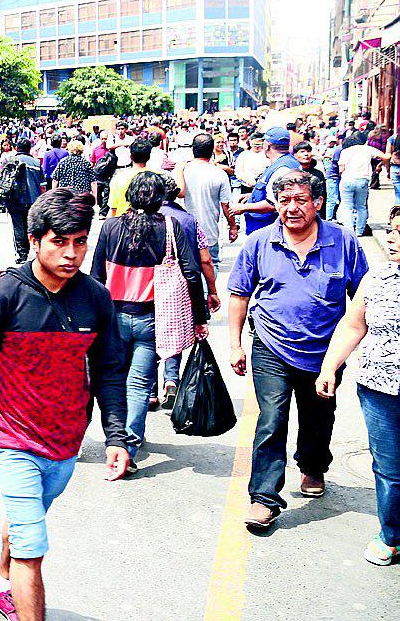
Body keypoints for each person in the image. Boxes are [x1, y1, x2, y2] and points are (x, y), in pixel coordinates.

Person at [0, 189, 130, 621]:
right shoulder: (2, 296)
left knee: (25, 518)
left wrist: (117, 437)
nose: (71, 254)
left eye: (79, 242)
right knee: (34, 545)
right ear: (34, 241)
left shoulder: (95, 297)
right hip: (13, 439)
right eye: (59, 242)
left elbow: (110, 368)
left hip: (67, 443)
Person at [228, 170, 368, 531]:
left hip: (325, 354)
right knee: (271, 419)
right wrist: (235, 343)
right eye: (284, 201)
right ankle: (263, 498)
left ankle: (313, 466)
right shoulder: (259, 242)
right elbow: (240, 294)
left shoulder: (343, 242)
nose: (291, 209)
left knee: (318, 417)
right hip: (271, 346)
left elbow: (363, 299)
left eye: (300, 200)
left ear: (318, 203)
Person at [90, 172, 206, 471]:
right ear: (160, 198)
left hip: (113, 317)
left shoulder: (111, 226)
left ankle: (114, 438)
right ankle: (128, 444)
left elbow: (95, 276)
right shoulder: (171, 227)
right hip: (154, 319)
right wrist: (199, 316)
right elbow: (192, 273)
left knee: (113, 379)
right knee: (139, 384)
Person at [317, 204, 400, 566]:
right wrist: (329, 367)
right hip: (379, 389)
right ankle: (392, 534)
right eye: (392, 229)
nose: (392, 238)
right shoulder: (377, 278)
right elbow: (354, 325)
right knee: (389, 469)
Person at [176, 133, 236, 265]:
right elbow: (225, 205)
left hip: (184, 232)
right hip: (210, 233)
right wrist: (233, 226)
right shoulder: (219, 173)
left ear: (193, 150)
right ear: (211, 151)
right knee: (212, 265)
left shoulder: (181, 171)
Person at [231, 126, 301, 237]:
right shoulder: (283, 163)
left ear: (266, 145)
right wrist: (251, 196)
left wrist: (242, 208)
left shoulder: (282, 168)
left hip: (268, 229)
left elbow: (273, 204)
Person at [337, 131, 390, 237]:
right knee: (361, 206)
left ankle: (349, 230)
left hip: (347, 179)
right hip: (362, 180)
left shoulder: (345, 151)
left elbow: (341, 169)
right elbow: (386, 157)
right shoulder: (367, 149)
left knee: (347, 206)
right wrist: (381, 163)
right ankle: (359, 231)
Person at [4, 139, 44, 263]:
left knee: (18, 226)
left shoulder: (9, 160)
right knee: (31, 226)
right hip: (33, 200)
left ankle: (22, 254)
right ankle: (36, 250)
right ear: (29, 149)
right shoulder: (36, 163)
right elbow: (42, 186)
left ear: (16, 148)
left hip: (14, 200)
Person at [107, 137, 156, 218]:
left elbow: (114, 210)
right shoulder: (157, 177)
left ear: (131, 157)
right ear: (149, 157)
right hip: (151, 224)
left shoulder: (118, 179)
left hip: (124, 224)